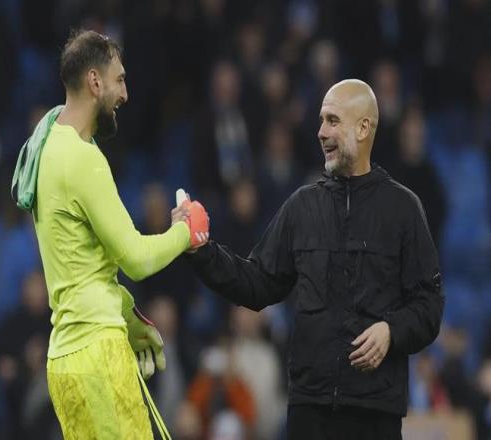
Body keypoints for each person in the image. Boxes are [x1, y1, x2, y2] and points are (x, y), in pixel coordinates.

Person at [187, 79, 444, 439]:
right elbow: (256, 283)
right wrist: (201, 249)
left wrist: (392, 330)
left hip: (375, 413)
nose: (321, 132)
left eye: (333, 120)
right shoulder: (301, 206)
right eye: (322, 120)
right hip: (310, 411)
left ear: (363, 128)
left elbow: (429, 306)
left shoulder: (403, 209)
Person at [10, 29, 209, 439]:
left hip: (64, 362)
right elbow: (136, 258)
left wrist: (125, 313)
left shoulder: (47, 144)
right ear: (94, 81)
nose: (126, 94)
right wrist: (185, 231)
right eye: (119, 79)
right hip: (99, 357)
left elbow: (81, 266)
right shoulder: (83, 158)